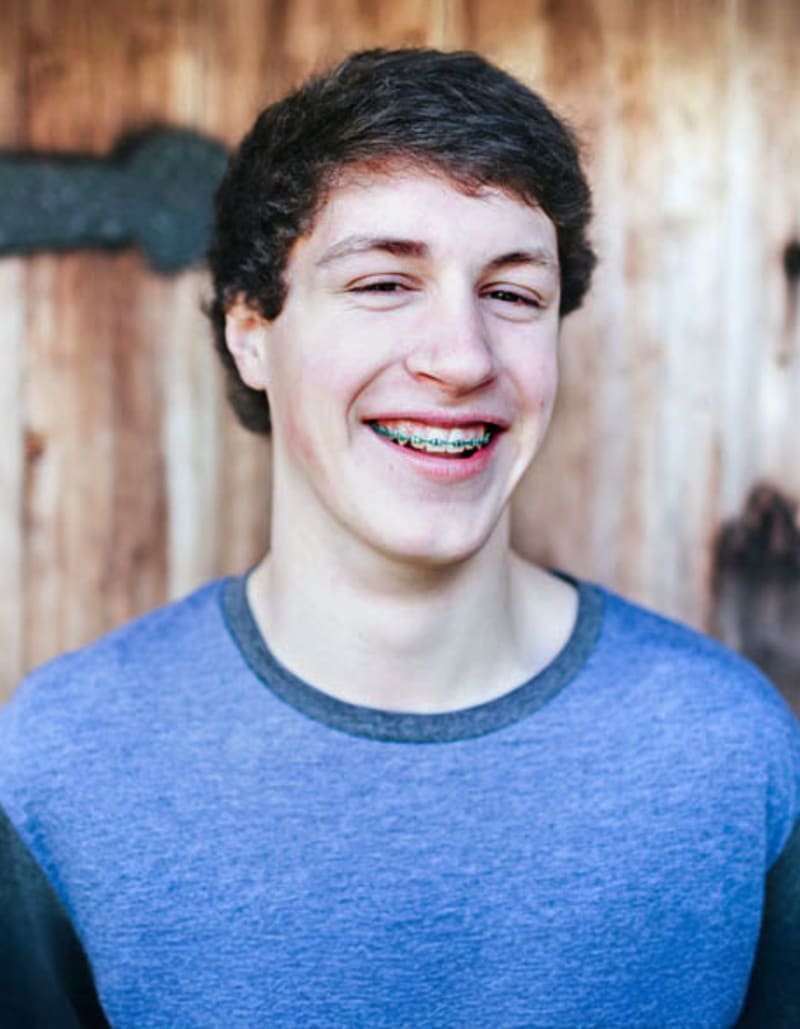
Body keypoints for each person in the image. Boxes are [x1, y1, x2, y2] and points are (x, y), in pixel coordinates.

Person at [0, 47, 797, 1029]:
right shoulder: (62, 762)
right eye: (383, 283)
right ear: (251, 329)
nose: (460, 358)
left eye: (511, 294)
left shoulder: (731, 757)